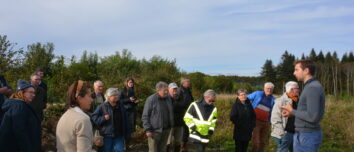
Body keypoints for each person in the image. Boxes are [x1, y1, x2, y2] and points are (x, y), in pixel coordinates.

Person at [280, 60, 325, 152]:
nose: (294, 73)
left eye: (297, 70)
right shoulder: (310, 86)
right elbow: (308, 112)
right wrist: (292, 114)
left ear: (306, 71)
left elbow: (312, 116)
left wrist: (292, 111)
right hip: (304, 135)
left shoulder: (312, 87)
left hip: (307, 136)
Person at [0, 80, 41, 152]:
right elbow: (19, 130)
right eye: (31, 92)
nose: (34, 95)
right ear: (21, 92)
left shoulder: (17, 105)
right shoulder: (19, 106)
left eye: (34, 93)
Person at [56, 80, 94, 152]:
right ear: (79, 98)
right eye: (89, 96)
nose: (91, 100)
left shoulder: (64, 116)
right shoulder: (83, 120)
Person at [92, 88, 128, 152]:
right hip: (106, 136)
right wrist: (103, 118)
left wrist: (126, 133)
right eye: (114, 95)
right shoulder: (102, 106)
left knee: (120, 150)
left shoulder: (121, 106)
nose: (116, 96)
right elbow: (94, 118)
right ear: (108, 97)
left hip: (119, 135)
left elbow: (126, 120)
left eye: (117, 95)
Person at [142, 81, 174, 152]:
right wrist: (147, 129)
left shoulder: (168, 98)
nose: (166, 92)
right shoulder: (151, 99)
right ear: (158, 91)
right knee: (153, 150)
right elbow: (145, 116)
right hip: (154, 131)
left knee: (162, 149)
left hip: (166, 130)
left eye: (167, 90)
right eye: (164, 90)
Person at [271, 81, 300, 152]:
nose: (299, 90)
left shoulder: (297, 100)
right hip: (286, 133)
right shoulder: (281, 101)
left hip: (296, 132)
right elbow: (275, 119)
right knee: (282, 150)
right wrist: (282, 134)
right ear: (291, 89)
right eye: (297, 88)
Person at [247, 82, 275, 152]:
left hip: (266, 123)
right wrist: (248, 110)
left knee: (263, 142)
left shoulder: (273, 99)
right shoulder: (258, 93)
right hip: (256, 121)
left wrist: (270, 122)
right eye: (268, 88)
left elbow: (272, 111)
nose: (269, 90)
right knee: (256, 141)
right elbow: (246, 98)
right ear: (264, 88)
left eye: (271, 89)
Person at [120, 77, 139, 148]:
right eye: (130, 82)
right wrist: (128, 99)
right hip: (126, 112)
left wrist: (135, 102)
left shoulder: (133, 90)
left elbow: (133, 102)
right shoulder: (123, 90)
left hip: (132, 111)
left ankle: (128, 144)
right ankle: (124, 144)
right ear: (126, 83)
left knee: (131, 128)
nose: (131, 84)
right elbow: (120, 101)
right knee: (126, 128)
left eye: (132, 82)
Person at [167, 82, 184, 152]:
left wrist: (176, 102)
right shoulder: (166, 98)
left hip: (179, 123)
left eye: (176, 89)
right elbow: (171, 108)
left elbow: (183, 106)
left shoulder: (180, 97)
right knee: (168, 142)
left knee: (178, 142)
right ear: (169, 89)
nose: (175, 90)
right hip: (169, 124)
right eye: (173, 89)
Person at [178, 77, 194, 152]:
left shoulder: (188, 90)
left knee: (187, 129)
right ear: (183, 83)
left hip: (188, 113)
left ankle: (184, 146)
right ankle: (181, 147)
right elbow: (176, 102)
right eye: (188, 82)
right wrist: (183, 105)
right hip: (182, 113)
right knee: (183, 129)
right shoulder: (179, 90)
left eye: (189, 81)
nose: (189, 83)